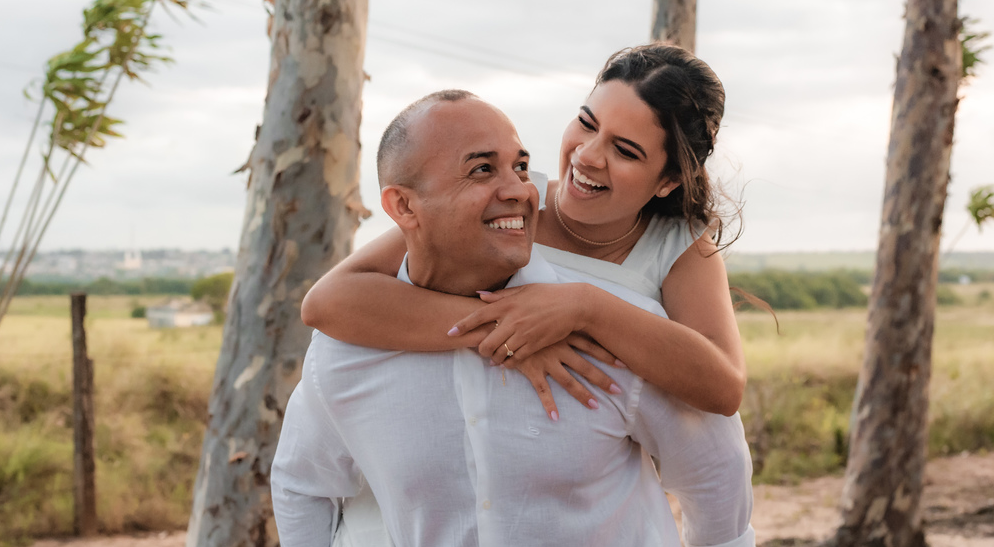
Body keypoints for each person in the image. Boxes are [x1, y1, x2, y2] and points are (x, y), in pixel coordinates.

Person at [239, 90, 758, 547]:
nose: (521, 185)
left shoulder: (625, 322)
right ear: (403, 207)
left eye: (517, 165)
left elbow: (716, 443)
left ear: (663, 182)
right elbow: (303, 479)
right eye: (484, 169)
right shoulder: (353, 349)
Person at [301, 44, 745, 424]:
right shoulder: (508, 200)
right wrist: (506, 334)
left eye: (624, 150)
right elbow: (329, 302)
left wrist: (585, 307)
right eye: (587, 124)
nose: (587, 156)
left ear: (667, 181)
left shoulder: (678, 247)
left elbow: (723, 388)